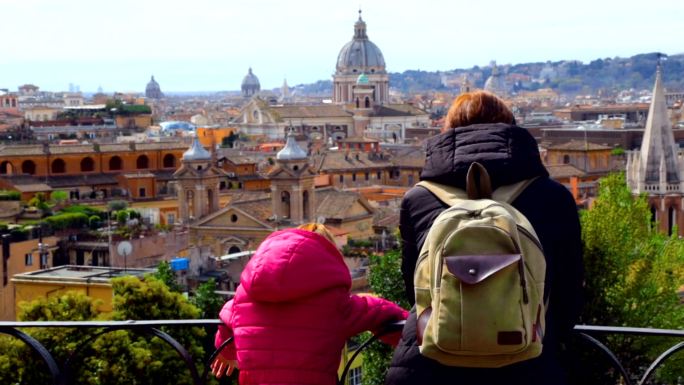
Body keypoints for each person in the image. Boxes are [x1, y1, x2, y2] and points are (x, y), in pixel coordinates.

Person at [385, 91, 584, 385]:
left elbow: (414, 285)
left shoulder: (418, 198)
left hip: (428, 367)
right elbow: (569, 289)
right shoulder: (554, 197)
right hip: (527, 362)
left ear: (448, 130)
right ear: (511, 129)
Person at [212, 223, 408, 385]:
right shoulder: (334, 302)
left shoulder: (245, 294)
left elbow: (226, 317)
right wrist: (417, 334)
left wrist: (227, 352)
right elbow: (379, 312)